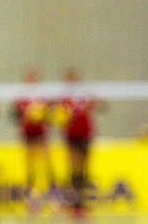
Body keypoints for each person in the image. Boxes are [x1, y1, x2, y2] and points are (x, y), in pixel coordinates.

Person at [55, 68, 103, 216]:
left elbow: (97, 106)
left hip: (85, 134)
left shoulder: (85, 95)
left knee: (84, 170)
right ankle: (72, 202)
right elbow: (58, 116)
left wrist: (94, 102)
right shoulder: (63, 98)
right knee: (73, 169)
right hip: (71, 136)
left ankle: (81, 202)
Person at [12, 67, 55, 207]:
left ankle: (51, 191)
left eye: (34, 78)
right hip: (27, 133)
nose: (32, 80)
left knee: (46, 160)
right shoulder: (21, 96)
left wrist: (42, 117)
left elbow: (51, 113)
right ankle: (30, 192)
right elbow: (15, 115)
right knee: (30, 162)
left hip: (41, 133)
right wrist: (26, 118)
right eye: (29, 78)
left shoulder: (43, 95)